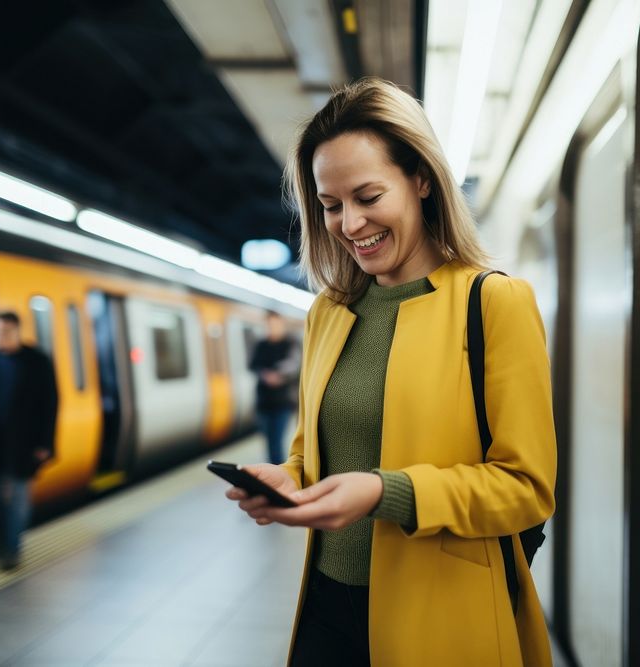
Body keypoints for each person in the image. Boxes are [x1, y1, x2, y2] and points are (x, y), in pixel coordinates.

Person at [225, 78, 557, 666]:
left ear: (422, 180)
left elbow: (525, 489)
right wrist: (287, 479)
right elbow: (313, 454)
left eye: (368, 197)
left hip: (442, 618)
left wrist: (386, 491)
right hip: (327, 613)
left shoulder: (493, 303)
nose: (349, 224)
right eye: (330, 206)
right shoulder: (329, 313)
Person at [0, 310, 58, 570]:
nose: (1, 336)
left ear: (18, 331)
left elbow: (50, 404)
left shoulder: (37, 362)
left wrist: (45, 443)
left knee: (19, 499)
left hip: (25, 444)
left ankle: (12, 550)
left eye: (6, 331)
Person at [249, 311, 301, 464]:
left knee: (277, 440)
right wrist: (265, 374)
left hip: (283, 402)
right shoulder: (261, 345)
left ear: (281, 324)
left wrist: (279, 376)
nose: (272, 327)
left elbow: (296, 366)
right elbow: (253, 365)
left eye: (275, 324)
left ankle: (278, 472)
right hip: (264, 402)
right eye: (269, 324)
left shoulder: (291, 343)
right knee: (269, 441)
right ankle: (273, 469)